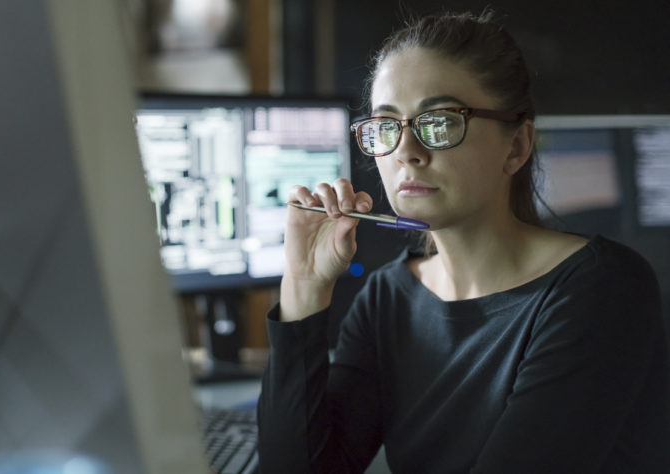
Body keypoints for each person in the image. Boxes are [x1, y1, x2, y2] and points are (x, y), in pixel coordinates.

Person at [256, 10, 670, 474]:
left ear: (516, 147)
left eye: (439, 122)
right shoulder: (388, 299)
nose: (407, 152)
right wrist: (304, 287)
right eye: (386, 126)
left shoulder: (602, 290)